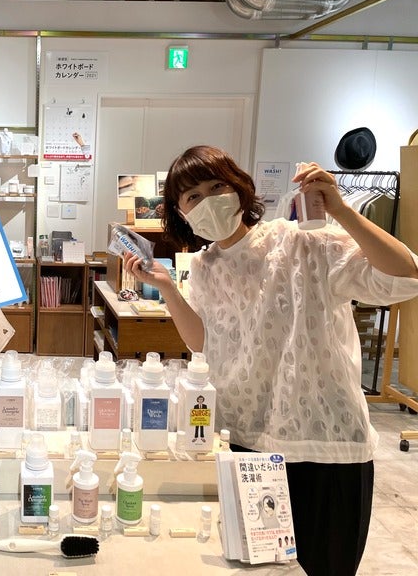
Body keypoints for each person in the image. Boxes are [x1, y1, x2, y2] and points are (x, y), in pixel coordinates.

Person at [124, 145, 418, 576]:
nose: (207, 201)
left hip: (325, 448)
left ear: (239, 188)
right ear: (181, 214)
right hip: (244, 445)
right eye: (192, 197)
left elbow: (405, 276)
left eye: (216, 186)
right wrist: (167, 287)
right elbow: (205, 343)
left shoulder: (304, 242)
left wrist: (341, 211)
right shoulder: (203, 266)